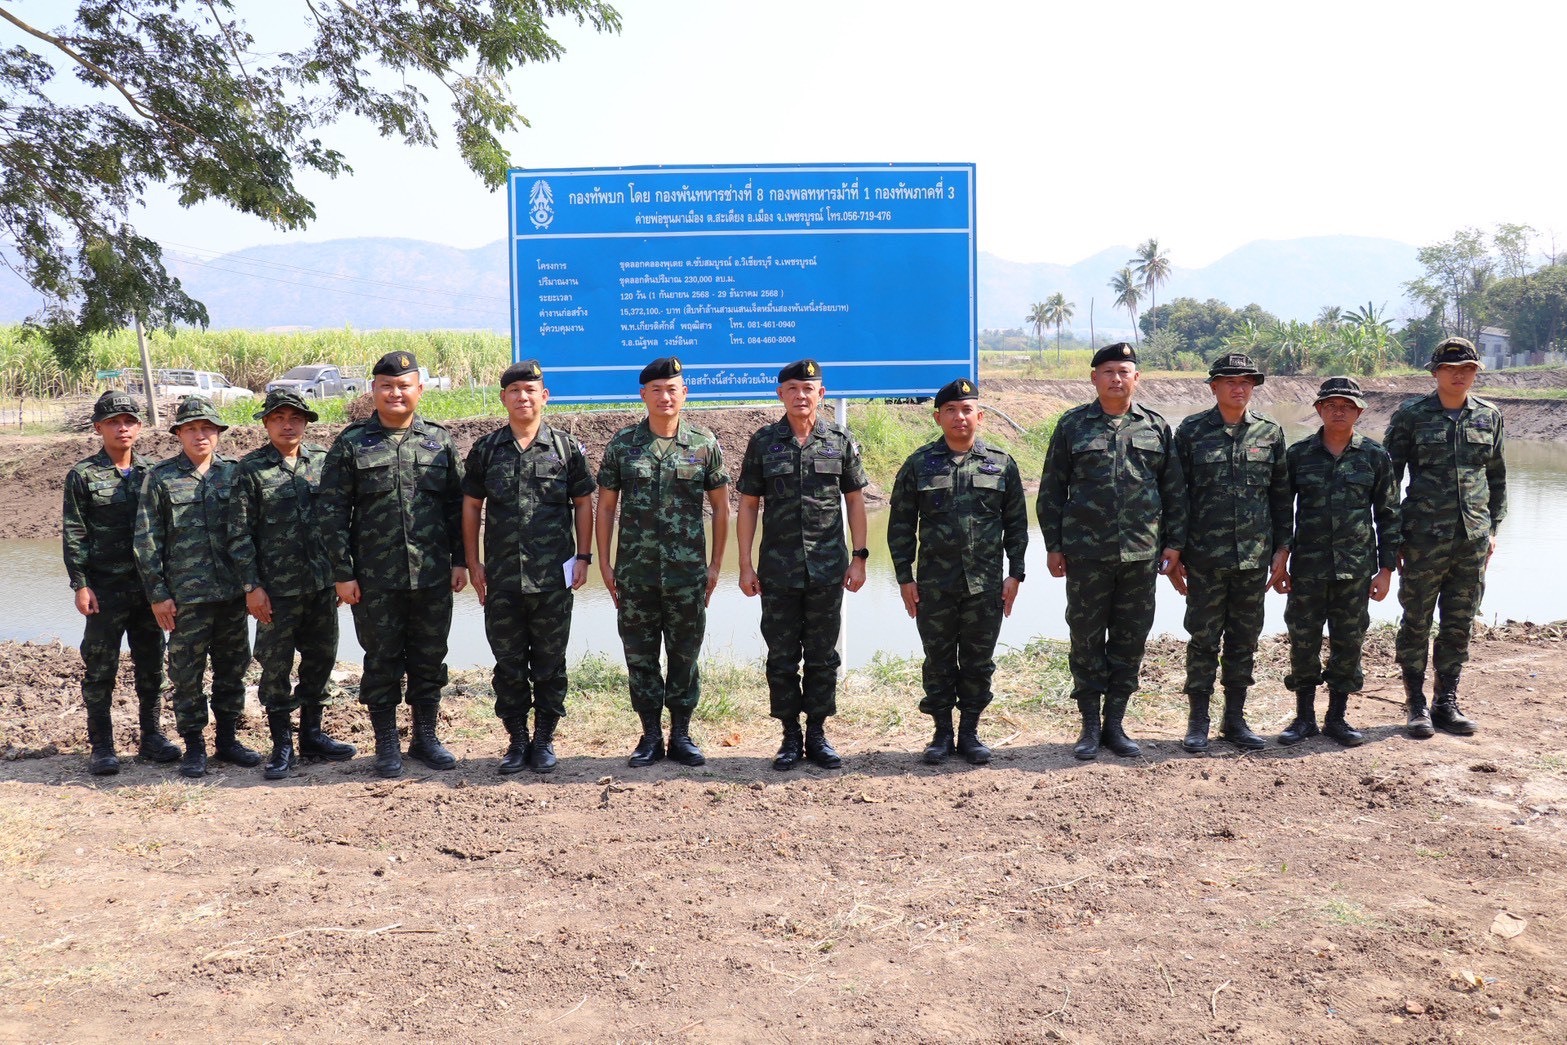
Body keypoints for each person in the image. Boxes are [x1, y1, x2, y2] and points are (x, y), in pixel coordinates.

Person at [319, 352, 466, 778]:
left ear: (419, 389)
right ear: (373, 390)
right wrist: (342, 573)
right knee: (381, 659)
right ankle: (386, 743)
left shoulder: (439, 441)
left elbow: (458, 507)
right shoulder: (352, 443)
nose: (395, 393)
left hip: (432, 574)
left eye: (404, 385)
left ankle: (425, 737)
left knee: (430, 656)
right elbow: (332, 511)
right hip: (374, 579)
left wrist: (460, 561)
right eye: (386, 385)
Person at [1037, 343, 1184, 761]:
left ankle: (1115, 724)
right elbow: (1052, 489)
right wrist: (1053, 545)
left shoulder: (1155, 427)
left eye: (1123, 371)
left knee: (1129, 639)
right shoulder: (1072, 425)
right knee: (1085, 639)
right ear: (1094, 378)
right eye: (1108, 371)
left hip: (1141, 554)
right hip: (1086, 555)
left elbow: (1174, 490)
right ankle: (1089, 726)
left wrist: (1174, 543)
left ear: (1136, 378)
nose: (1116, 378)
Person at [595, 357, 730, 768]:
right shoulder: (623, 444)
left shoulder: (703, 443)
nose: (665, 397)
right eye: (656, 390)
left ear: (684, 393)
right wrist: (605, 564)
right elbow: (605, 508)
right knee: (640, 657)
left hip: (687, 575)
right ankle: (651, 735)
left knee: (685, 656)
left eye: (672, 389)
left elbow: (722, 509)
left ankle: (682, 734)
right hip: (635, 573)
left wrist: (715, 566)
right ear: (643, 395)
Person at [462, 360, 595, 775]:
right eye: (515, 391)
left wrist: (584, 557)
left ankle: (544, 739)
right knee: (509, 664)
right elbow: (471, 506)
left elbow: (584, 504)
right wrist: (473, 562)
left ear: (544, 396)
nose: (523, 397)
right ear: (504, 398)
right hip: (502, 578)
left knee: (551, 663)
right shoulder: (486, 449)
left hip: (553, 578)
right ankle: (517, 739)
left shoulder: (566, 448)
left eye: (531, 390)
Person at [736, 359, 869, 771]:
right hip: (778, 570)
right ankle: (790, 735)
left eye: (808, 388)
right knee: (781, 656)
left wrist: (860, 557)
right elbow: (748, 506)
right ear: (780, 394)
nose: (800, 395)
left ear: (821, 394)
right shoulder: (763, 442)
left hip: (828, 568)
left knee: (822, 655)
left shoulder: (840, 440)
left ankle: (817, 732)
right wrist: (745, 564)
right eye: (792, 388)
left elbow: (855, 501)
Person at [887, 377, 1027, 766]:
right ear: (938, 417)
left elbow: (1016, 524)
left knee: (978, 662)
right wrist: (904, 577)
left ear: (980, 416)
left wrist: (1016, 574)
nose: (959, 417)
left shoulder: (1001, 463)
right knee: (938, 661)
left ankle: (969, 733)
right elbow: (900, 525)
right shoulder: (918, 464)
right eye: (950, 410)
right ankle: (941, 734)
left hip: (985, 585)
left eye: (967, 410)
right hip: (935, 586)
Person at [228, 389, 356, 780]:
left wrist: (340, 572)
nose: (288, 425)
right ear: (266, 423)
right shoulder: (250, 469)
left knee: (320, 660)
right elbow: (239, 533)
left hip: (320, 586)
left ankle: (312, 735)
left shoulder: (323, 462)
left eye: (295, 418)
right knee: (276, 668)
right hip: (275, 592)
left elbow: (340, 520)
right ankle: (282, 744)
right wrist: (251, 587)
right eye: (279, 418)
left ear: (306, 422)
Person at [1384, 337, 1506, 738]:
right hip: (1423, 539)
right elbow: (1389, 480)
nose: (1459, 375)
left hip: (1471, 539)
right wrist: (1393, 536)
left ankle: (1446, 702)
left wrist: (1492, 530)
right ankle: (1416, 703)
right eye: (1451, 369)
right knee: (1416, 621)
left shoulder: (1489, 416)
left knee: (1459, 622)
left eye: (1467, 369)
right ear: (1435, 372)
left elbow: (1497, 477)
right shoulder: (1411, 416)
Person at [1169, 353, 1291, 753]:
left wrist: (1283, 548)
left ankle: (1235, 719)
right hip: (1204, 557)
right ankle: (1198, 721)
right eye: (1230, 381)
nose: (1239, 388)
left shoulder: (1270, 433)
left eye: (1246, 382)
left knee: (1244, 640)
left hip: (1253, 558)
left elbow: (1280, 496)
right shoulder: (1191, 432)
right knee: (1203, 639)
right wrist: (1175, 548)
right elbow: (1176, 495)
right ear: (1214, 387)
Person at [133, 395, 260, 778]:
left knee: (232, 670)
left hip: (232, 595)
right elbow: (146, 540)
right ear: (179, 434)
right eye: (191, 429)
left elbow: (253, 532)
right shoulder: (161, 477)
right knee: (186, 675)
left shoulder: (236, 473)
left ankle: (228, 741)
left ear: (218, 433)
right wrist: (158, 594)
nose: (199, 435)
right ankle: (194, 746)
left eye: (207, 428)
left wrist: (253, 585)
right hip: (186, 598)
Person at [1273, 377, 1400, 746]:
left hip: (1355, 570)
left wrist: (1386, 570)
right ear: (1318, 409)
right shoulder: (1298, 455)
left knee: (1348, 643)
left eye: (1347, 405)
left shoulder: (1374, 456)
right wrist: (1280, 559)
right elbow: (1281, 511)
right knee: (1303, 641)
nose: (1339, 411)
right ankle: (1304, 718)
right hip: (1307, 569)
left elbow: (1388, 514)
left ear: (1360, 411)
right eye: (1331, 405)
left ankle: (1337, 718)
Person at [62, 391, 181, 775]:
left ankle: (152, 737)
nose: (122, 428)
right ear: (99, 427)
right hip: (105, 590)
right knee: (100, 668)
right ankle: (102, 746)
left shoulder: (152, 473)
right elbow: (74, 532)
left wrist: (166, 585)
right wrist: (80, 584)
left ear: (140, 427)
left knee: (152, 665)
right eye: (113, 422)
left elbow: (166, 532)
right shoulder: (83, 475)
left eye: (129, 421)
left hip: (148, 590)